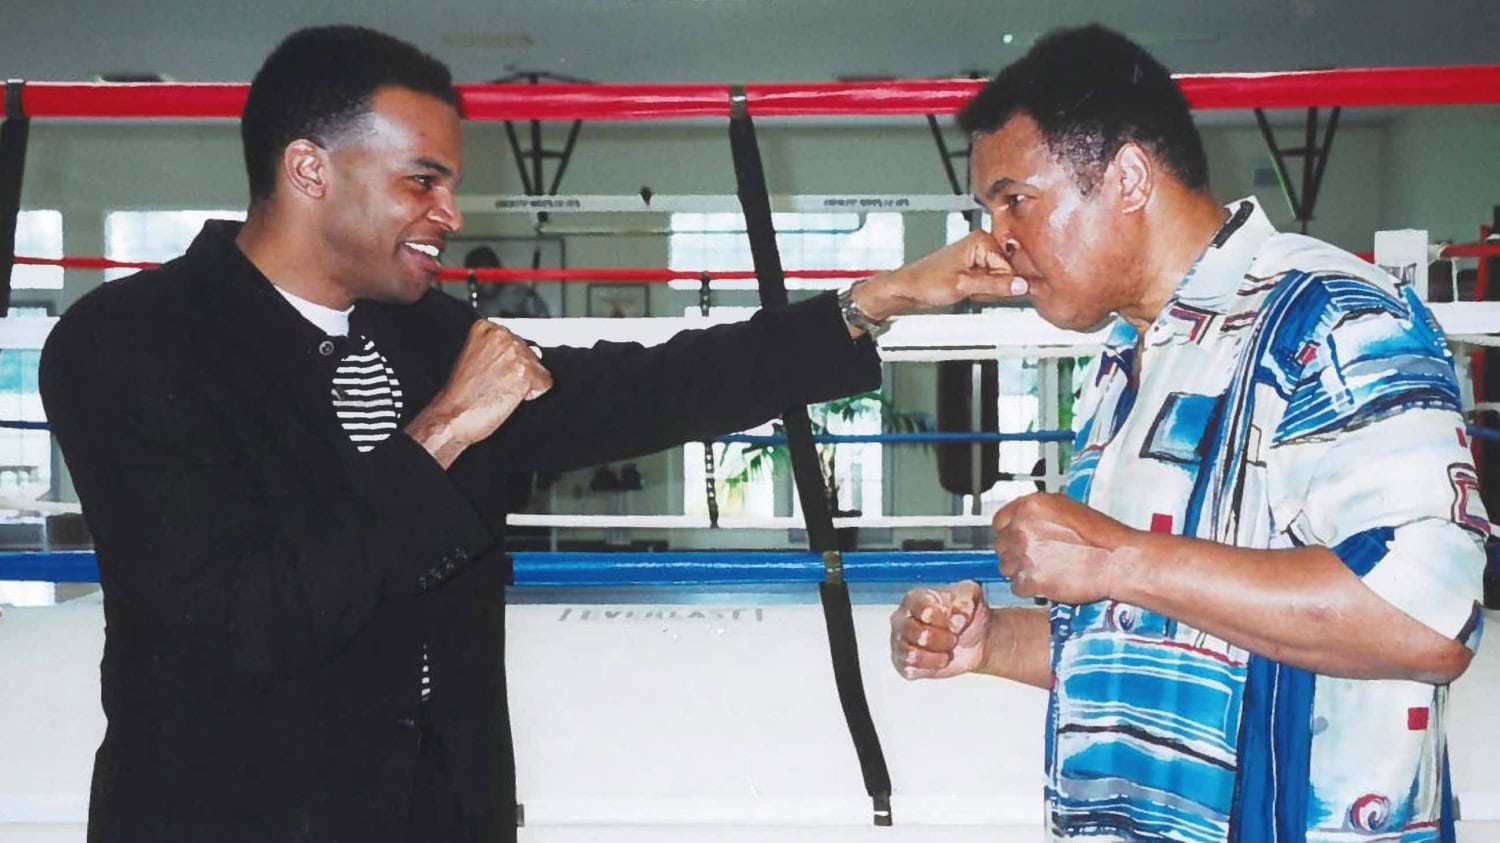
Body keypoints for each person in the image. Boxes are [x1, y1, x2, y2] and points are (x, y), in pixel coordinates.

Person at [38, 25, 1019, 843]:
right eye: (421, 182)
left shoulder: (419, 332)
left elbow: (642, 389)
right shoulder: (131, 346)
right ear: (309, 171)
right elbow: (240, 623)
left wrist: (871, 303)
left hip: (440, 814)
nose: (450, 214)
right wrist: (442, 432)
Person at [889, 25, 1487, 843]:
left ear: (1128, 177)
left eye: (1014, 198)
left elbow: (1428, 619)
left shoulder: (1335, 315)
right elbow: (1161, 626)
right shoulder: (1130, 359)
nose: (996, 237)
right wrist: (994, 640)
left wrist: (1113, 555)